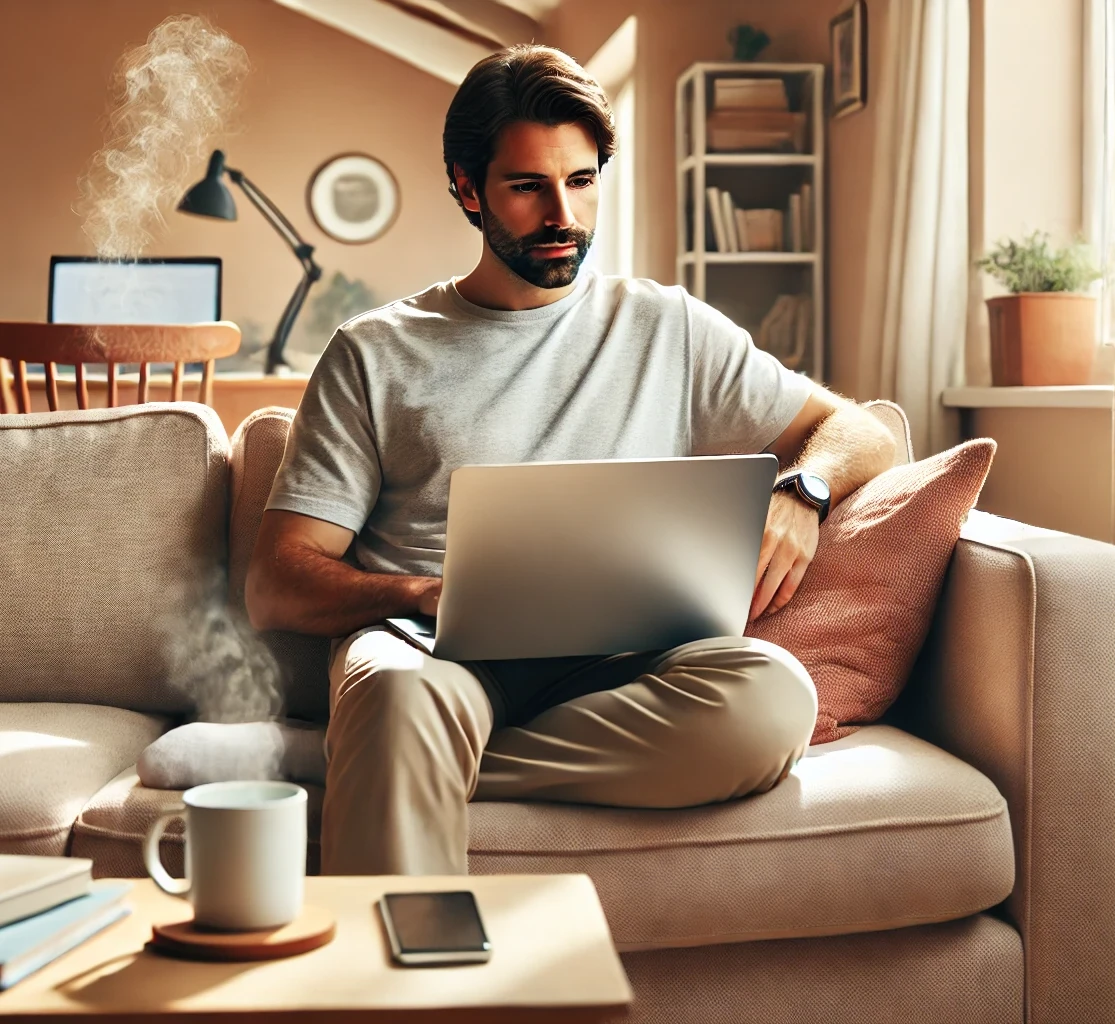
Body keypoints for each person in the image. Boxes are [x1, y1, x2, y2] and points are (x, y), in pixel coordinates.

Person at [244, 44, 896, 876]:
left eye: (581, 181)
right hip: (431, 649)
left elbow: (867, 430)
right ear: (466, 187)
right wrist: (428, 593)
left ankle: (380, 766)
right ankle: (396, 789)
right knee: (396, 696)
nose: (563, 214)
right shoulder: (374, 352)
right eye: (527, 187)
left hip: (628, 660)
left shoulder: (668, 325)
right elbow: (275, 584)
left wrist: (803, 489)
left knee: (770, 700)